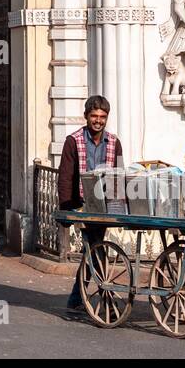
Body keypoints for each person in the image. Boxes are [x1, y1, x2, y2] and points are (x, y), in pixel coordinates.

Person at [57, 95, 123, 311]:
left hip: (104, 207)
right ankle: (106, 298)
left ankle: (76, 297)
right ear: (86, 116)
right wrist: (66, 209)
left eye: (102, 117)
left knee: (93, 248)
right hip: (82, 206)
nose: (98, 120)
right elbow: (65, 177)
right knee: (95, 247)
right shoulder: (73, 141)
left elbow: (119, 175)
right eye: (94, 116)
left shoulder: (114, 143)